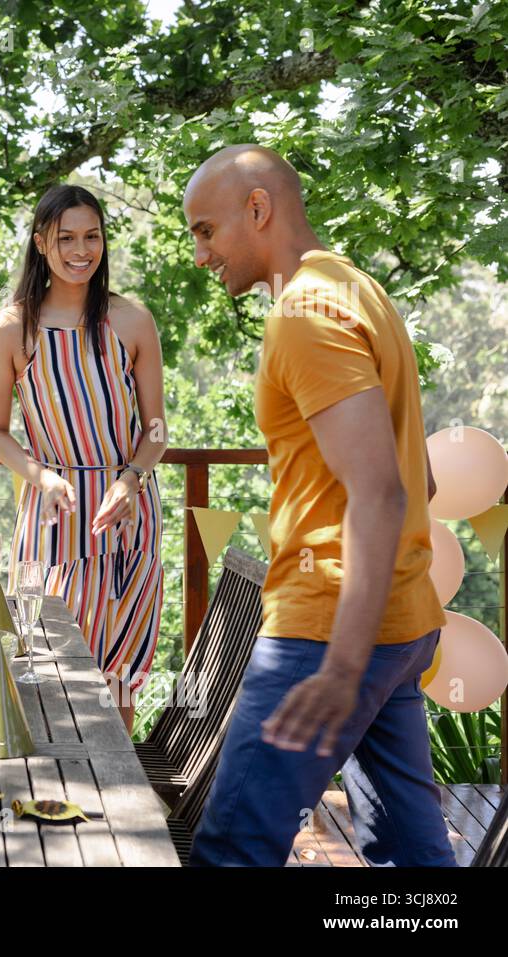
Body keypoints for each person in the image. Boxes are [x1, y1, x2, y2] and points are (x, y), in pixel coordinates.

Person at [183, 144, 454, 866]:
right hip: (398, 622)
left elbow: (383, 489)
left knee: (232, 847)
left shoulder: (304, 312)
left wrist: (339, 666)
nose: (201, 254)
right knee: (409, 855)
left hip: (327, 630)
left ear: (259, 209)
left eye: (205, 230)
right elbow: (418, 481)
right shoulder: (361, 290)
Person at [0, 184, 168, 732]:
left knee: (120, 671)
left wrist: (132, 478)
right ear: (41, 242)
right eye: (66, 238)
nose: (81, 250)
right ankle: (47, 789)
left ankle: (117, 799)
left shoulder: (132, 322)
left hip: (129, 511)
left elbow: (155, 429)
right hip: (52, 515)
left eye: (92, 236)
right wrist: (41, 477)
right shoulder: (10, 328)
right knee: (47, 663)